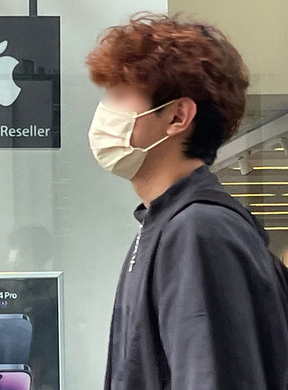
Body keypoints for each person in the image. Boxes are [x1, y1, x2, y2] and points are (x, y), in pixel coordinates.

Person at [86, 13, 288, 389]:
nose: (104, 114)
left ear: (178, 116)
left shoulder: (197, 231)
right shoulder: (164, 225)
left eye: (120, 95)